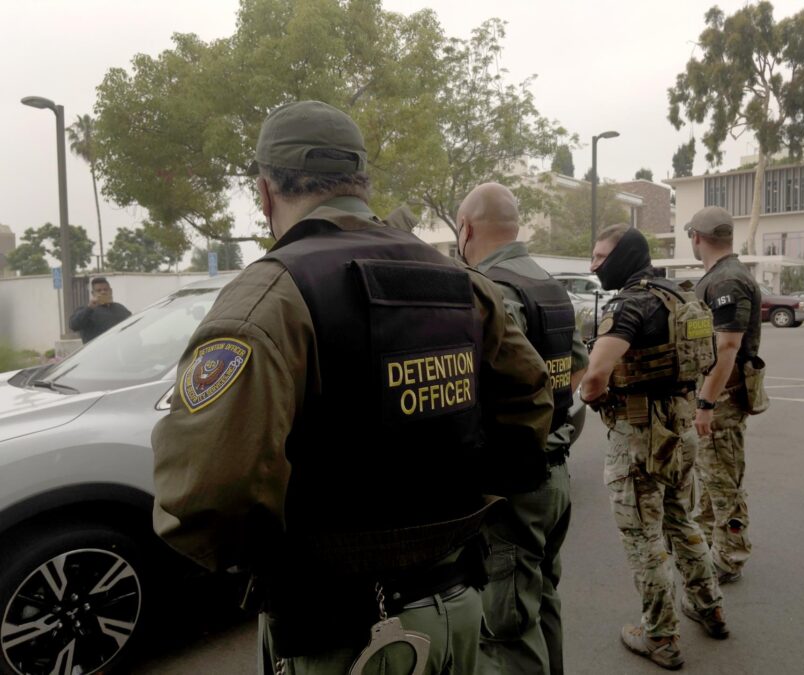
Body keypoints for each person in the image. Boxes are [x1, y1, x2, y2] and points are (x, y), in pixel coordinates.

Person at [151, 100, 554, 675]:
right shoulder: (461, 281)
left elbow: (209, 492)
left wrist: (279, 561)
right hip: (460, 606)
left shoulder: (272, 295)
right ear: (361, 181)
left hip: (343, 632)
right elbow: (530, 400)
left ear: (264, 192)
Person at [580, 224, 727, 671]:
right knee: (681, 518)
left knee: (643, 535)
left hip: (641, 436)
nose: (594, 265)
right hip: (681, 426)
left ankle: (660, 636)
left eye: (600, 256)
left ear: (622, 257)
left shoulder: (630, 304)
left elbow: (595, 375)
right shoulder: (682, 296)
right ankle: (709, 607)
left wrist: (591, 397)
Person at [456, 182, 589, 675]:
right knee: (542, 597)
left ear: (466, 229)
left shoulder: (490, 290)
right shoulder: (548, 285)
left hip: (514, 485)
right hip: (555, 476)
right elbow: (578, 366)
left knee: (506, 629)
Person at [685, 206, 766, 584]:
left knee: (723, 482)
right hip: (717, 395)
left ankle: (730, 556)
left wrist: (705, 403)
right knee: (710, 478)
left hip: (721, 398)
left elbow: (728, 347)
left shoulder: (727, 280)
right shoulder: (720, 275)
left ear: (697, 237)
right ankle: (708, 544)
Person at [68, 277, 131, 343]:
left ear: (111, 291)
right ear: (93, 293)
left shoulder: (120, 308)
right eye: (99, 290)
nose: (103, 292)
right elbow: (73, 325)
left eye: (106, 290)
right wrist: (89, 308)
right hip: (97, 348)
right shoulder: (86, 310)